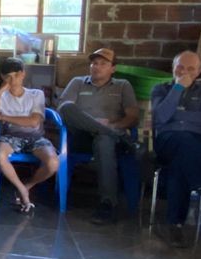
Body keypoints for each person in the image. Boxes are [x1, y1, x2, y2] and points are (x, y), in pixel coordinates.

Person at [55, 47, 139, 225]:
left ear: (113, 68)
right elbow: (63, 110)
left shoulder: (123, 85)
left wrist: (112, 125)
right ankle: (117, 137)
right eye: (94, 63)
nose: (97, 67)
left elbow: (132, 117)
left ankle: (107, 203)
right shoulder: (77, 82)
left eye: (103, 64)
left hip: (108, 138)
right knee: (67, 107)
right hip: (81, 136)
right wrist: (97, 125)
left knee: (104, 141)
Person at [150, 51, 201, 247]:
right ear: (173, 68)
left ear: (198, 71)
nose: (184, 72)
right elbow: (161, 117)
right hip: (168, 142)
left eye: (190, 69)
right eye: (180, 67)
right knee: (182, 142)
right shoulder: (160, 89)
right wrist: (178, 89)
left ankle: (176, 225)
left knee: (179, 164)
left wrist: (177, 119)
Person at [0, 58, 57, 215]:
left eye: (16, 76)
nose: (12, 81)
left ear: (23, 74)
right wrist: (0, 92)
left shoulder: (35, 94)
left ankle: (27, 186)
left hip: (36, 137)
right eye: (7, 77)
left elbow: (33, 122)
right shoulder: (1, 96)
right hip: (10, 136)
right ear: (2, 77)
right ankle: (21, 190)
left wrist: (3, 117)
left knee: (52, 163)